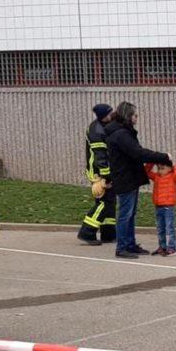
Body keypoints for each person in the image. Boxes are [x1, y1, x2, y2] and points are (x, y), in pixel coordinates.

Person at [103, 102, 172, 259]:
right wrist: (163, 157)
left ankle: (130, 244)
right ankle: (122, 247)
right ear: (128, 116)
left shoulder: (123, 132)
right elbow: (138, 153)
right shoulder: (121, 134)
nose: (137, 117)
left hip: (130, 177)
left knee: (130, 214)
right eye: (135, 115)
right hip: (125, 178)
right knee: (125, 214)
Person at [78, 104, 115, 246]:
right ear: (104, 116)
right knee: (104, 203)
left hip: (103, 171)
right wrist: (106, 178)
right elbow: (101, 158)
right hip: (98, 173)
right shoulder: (97, 131)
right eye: (109, 113)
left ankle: (108, 233)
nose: (112, 115)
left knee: (110, 202)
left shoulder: (102, 126)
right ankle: (87, 232)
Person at [145, 162, 176, 256]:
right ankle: (162, 247)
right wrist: (152, 162)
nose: (160, 171)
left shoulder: (173, 177)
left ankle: (172, 248)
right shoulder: (156, 177)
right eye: (158, 169)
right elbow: (146, 172)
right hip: (158, 205)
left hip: (168, 206)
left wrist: (173, 166)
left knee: (170, 228)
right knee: (160, 228)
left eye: (162, 168)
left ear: (170, 169)